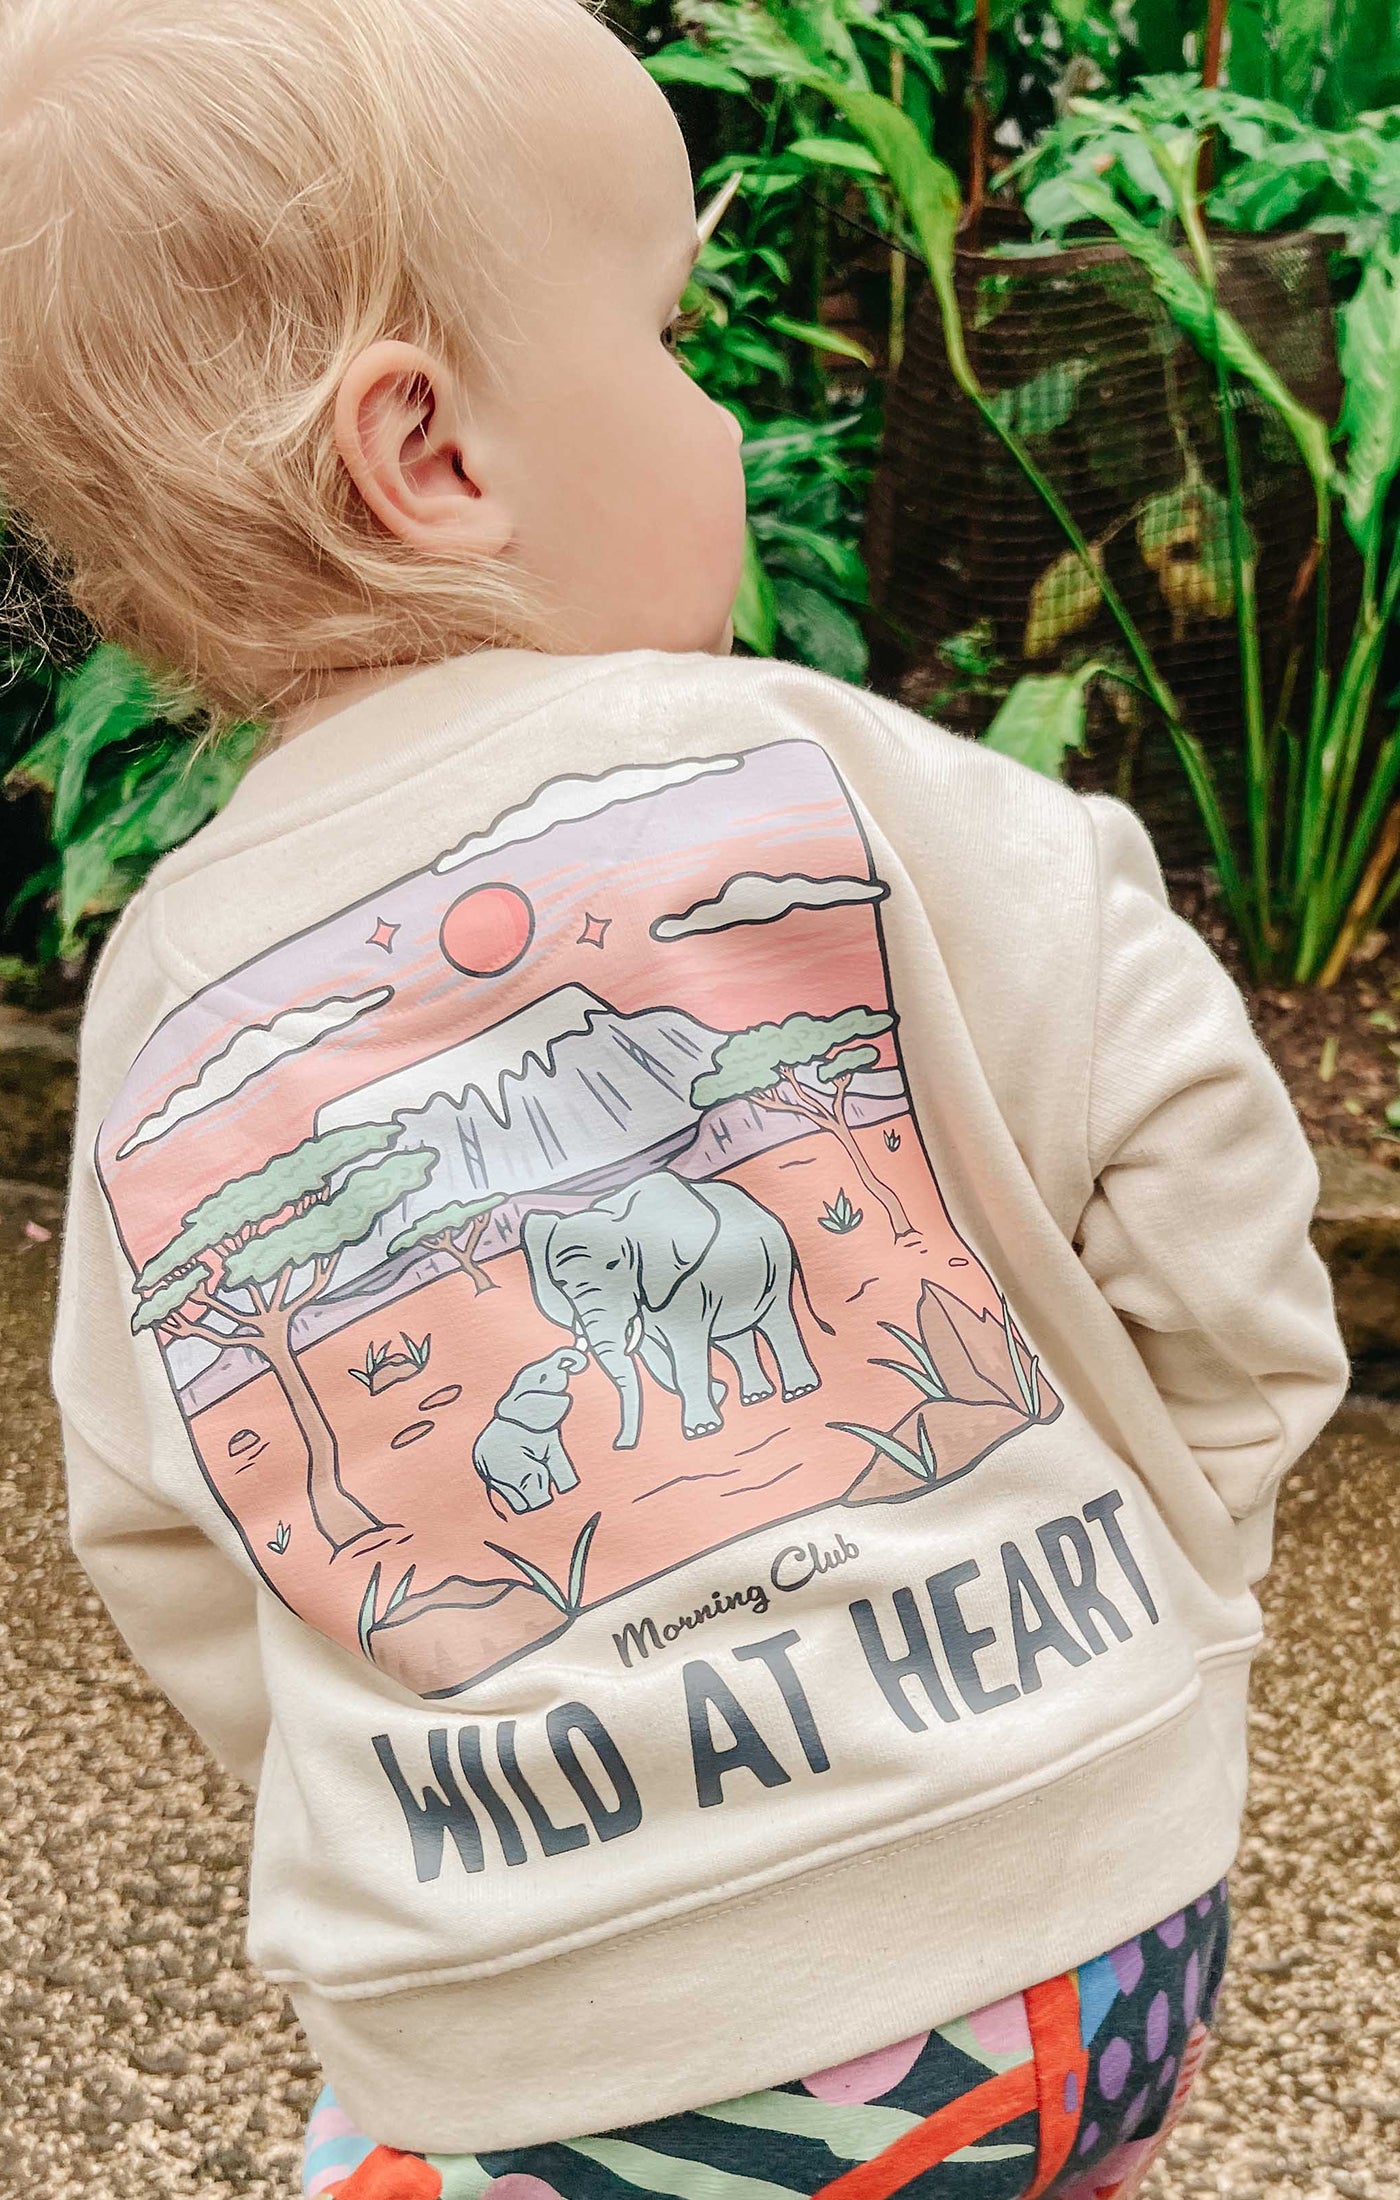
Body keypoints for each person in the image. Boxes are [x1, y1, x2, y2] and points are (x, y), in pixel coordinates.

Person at [0, 4, 1347, 2196]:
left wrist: (439, 1809)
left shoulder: (167, 991)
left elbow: (162, 1526)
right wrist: (1165, 1569)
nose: (721, 411)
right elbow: (1196, 1156)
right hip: (1087, 1951)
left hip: (596, 2082)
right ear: (428, 449)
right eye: (671, 338)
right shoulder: (847, 777)